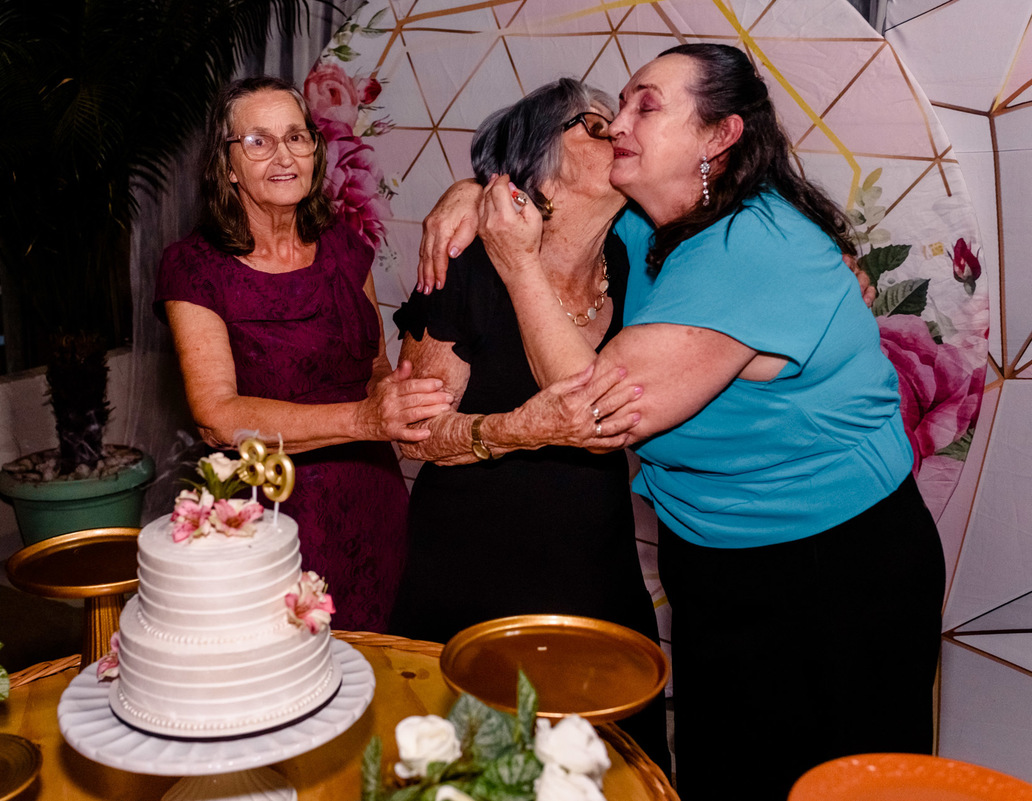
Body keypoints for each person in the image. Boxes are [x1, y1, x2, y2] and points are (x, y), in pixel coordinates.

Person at [464, 44, 944, 801]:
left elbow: (592, 410)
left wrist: (517, 265)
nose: (618, 123)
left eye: (645, 107)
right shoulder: (651, 223)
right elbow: (557, 192)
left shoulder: (752, 245)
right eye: (616, 107)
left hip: (836, 576)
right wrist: (469, 192)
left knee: (842, 786)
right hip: (716, 562)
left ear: (718, 137)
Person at [388, 78, 669, 773]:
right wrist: (519, 428)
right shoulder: (468, 265)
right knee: (473, 771)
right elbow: (414, 433)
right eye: (595, 124)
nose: (621, 131)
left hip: (597, 564)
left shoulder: (631, 256)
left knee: (614, 768)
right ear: (540, 162)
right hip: (473, 569)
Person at [153, 76, 453, 632]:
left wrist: (401, 398)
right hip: (268, 512)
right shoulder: (193, 267)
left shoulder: (344, 244)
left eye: (297, 137)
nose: (284, 155)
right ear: (226, 165)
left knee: (382, 669)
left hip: (373, 499)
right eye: (259, 142)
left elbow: (373, 368)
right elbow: (217, 417)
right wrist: (364, 419)